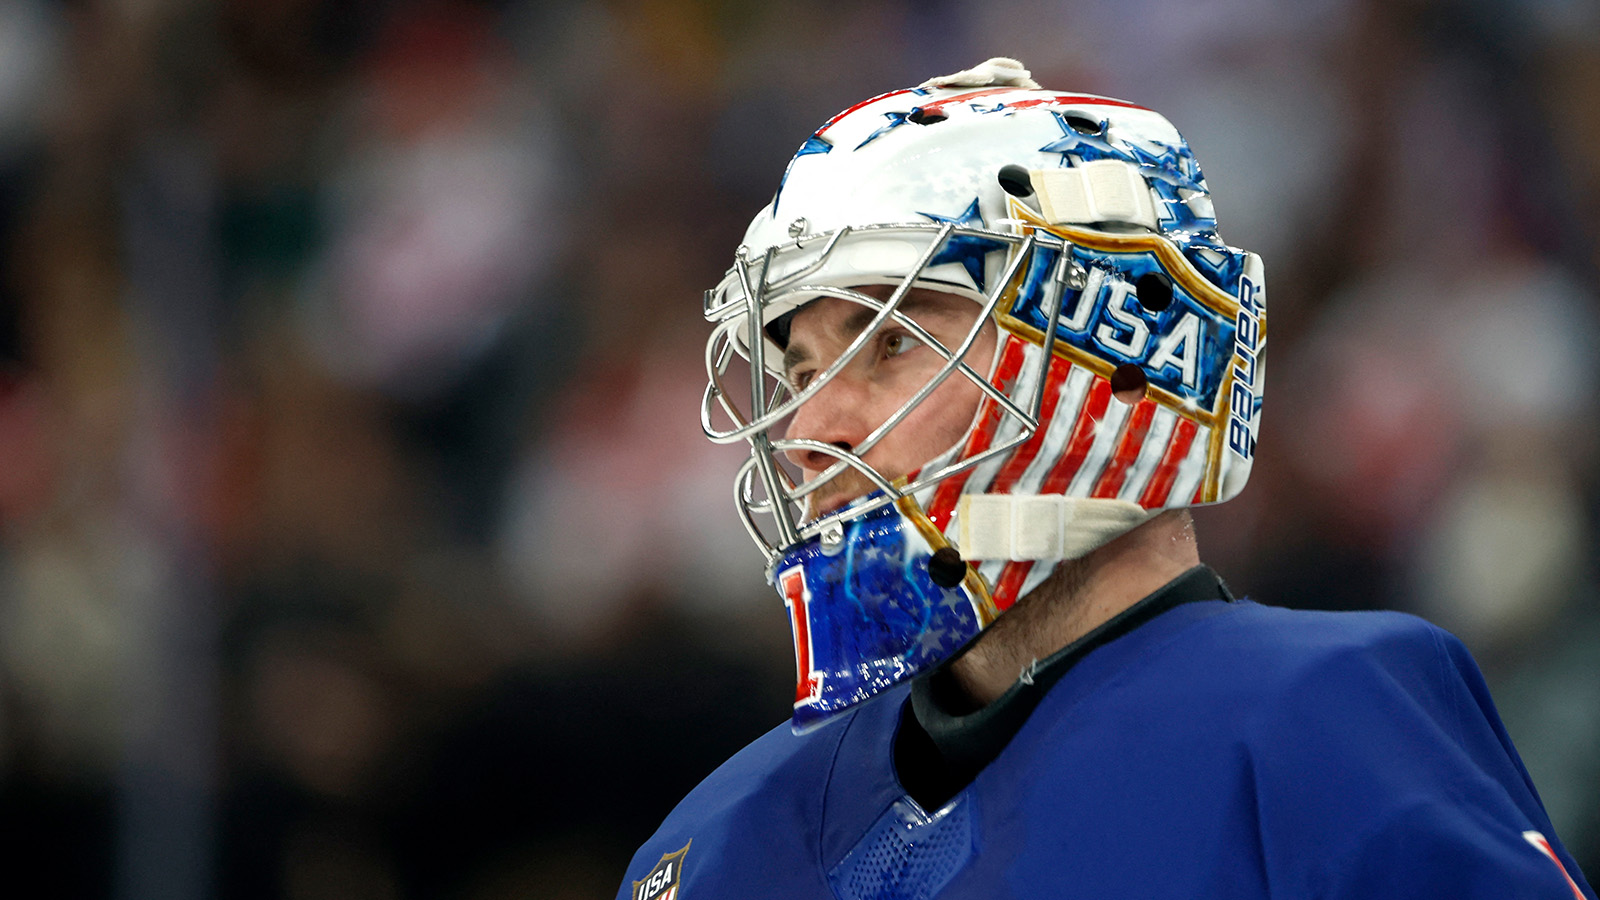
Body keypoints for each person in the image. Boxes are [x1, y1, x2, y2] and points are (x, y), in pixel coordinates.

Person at [618, 58, 1595, 900]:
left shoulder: (1321, 725)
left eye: (888, 346)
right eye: (799, 372)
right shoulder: (711, 840)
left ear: (1118, 354)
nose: (808, 429)